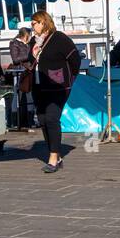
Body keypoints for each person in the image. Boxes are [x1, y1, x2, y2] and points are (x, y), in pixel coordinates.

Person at [27, 11, 80, 173]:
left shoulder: (59, 38)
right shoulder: (33, 42)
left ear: (43, 22)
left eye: (34, 23)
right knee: (43, 120)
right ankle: (56, 154)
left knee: (51, 118)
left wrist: (68, 78)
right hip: (38, 86)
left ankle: (53, 158)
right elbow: (31, 61)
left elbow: (75, 59)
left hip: (58, 86)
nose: (32, 26)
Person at [8, 25, 35, 131]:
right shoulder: (14, 43)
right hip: (20, 73)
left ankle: (30, 121)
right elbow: (15, 59)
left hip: (29, 71)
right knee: (19, 97)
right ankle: (18, 121)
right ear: (25, 35)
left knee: (30, 97)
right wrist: (30, 56)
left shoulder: (28, 44)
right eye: (29, 35)